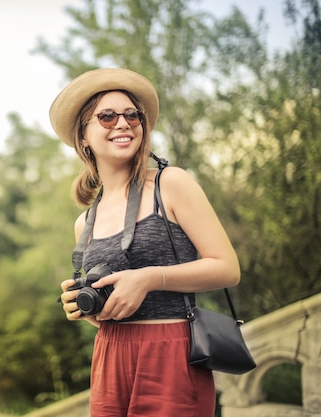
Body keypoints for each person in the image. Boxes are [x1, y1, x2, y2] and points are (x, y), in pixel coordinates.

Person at [50, 68, 240, 416]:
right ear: (84, 136)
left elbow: (227, 268)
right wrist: (86, 308)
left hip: (172, 352)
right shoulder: (84, 222)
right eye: (107, 116)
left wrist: (151, 278)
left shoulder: (171, 183)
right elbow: (109, 311)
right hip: (109, 354)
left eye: (131, 115)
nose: (122, 123)